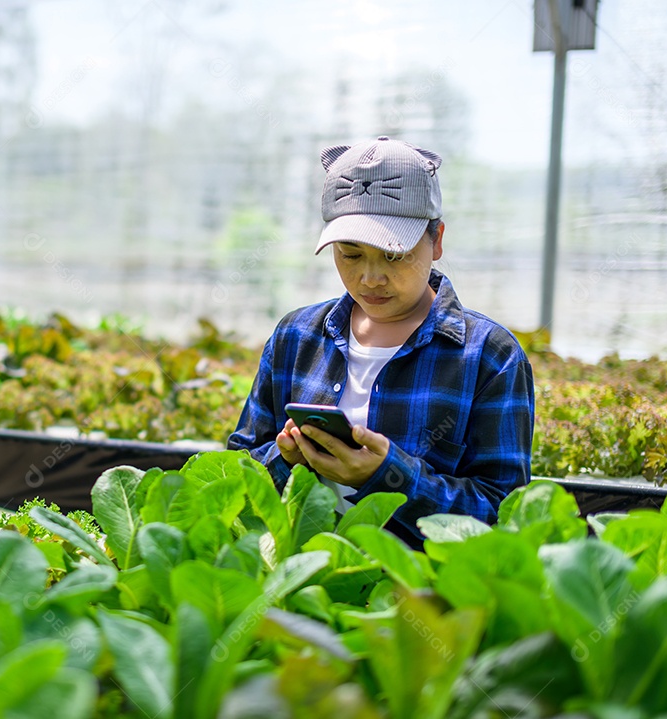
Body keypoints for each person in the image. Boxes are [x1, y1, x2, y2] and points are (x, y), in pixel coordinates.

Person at [227, 136, 535, 547]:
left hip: (418, 597)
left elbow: (503, 512)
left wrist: (390, 476)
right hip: (297, 581)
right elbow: (236, 473)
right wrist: (284, 461)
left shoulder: (489, 357)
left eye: (393, 255)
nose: (370, 278)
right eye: (350, 255)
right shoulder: (295, 337)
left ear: (436, 240)